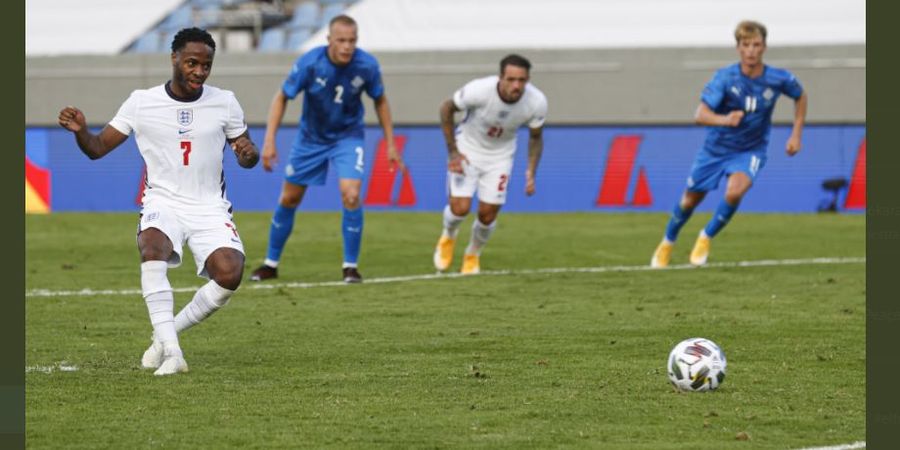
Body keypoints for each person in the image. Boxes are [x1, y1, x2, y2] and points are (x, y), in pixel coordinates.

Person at [58, 28, 260, 376]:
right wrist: (81, 132)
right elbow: (97, 149)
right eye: (192, 63)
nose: (199, 71)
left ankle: (164, 337)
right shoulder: (141, 101)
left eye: (206, 65)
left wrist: (248, 154)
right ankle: (174, 354)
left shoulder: (224, 101)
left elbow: (247, 153)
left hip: (208, 205)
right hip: (163, 200)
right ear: (174, 59)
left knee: (230, 274)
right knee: (151, 247)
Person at [250, 14, 402, 284]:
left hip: (348, 137)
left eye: (352, 41)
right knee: (289, 199)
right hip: (311, 139)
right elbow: (282, 96)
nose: (347, 46)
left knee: (351, 194)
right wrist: (269, 140)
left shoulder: (367, 65)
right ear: (329, 40)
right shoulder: (310, 63)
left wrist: (390, 143)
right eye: (341, 40)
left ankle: (350, 267)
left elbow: (380, 100)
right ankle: (270, 263)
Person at [651, 20, 807, 268]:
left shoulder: (778, 78)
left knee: (735, 191)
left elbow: (800, 95)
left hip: (751, 149)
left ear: (764, 47)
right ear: (738, 48)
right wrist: (726, 119)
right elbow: (700, 115)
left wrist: (796, 133)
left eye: (756, 45)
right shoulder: (724, 78)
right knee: (689, 201)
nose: (751, 51)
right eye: (746, 45)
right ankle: (667, 241)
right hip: (716, 149)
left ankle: (706, 236)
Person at [432, 54, 548, 274]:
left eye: (522, 80)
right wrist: (453, 152)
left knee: (488, 214)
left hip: (500, 157)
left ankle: (473, 254)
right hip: (468, 149)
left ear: (528, 80)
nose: (516, 85)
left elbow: (535, 137)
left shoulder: (536, 102)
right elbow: (446, 108)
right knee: (460, 208)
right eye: (511, 79)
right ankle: (448, 235)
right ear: (500, 77)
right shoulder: (479, 90)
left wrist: (531, 171)